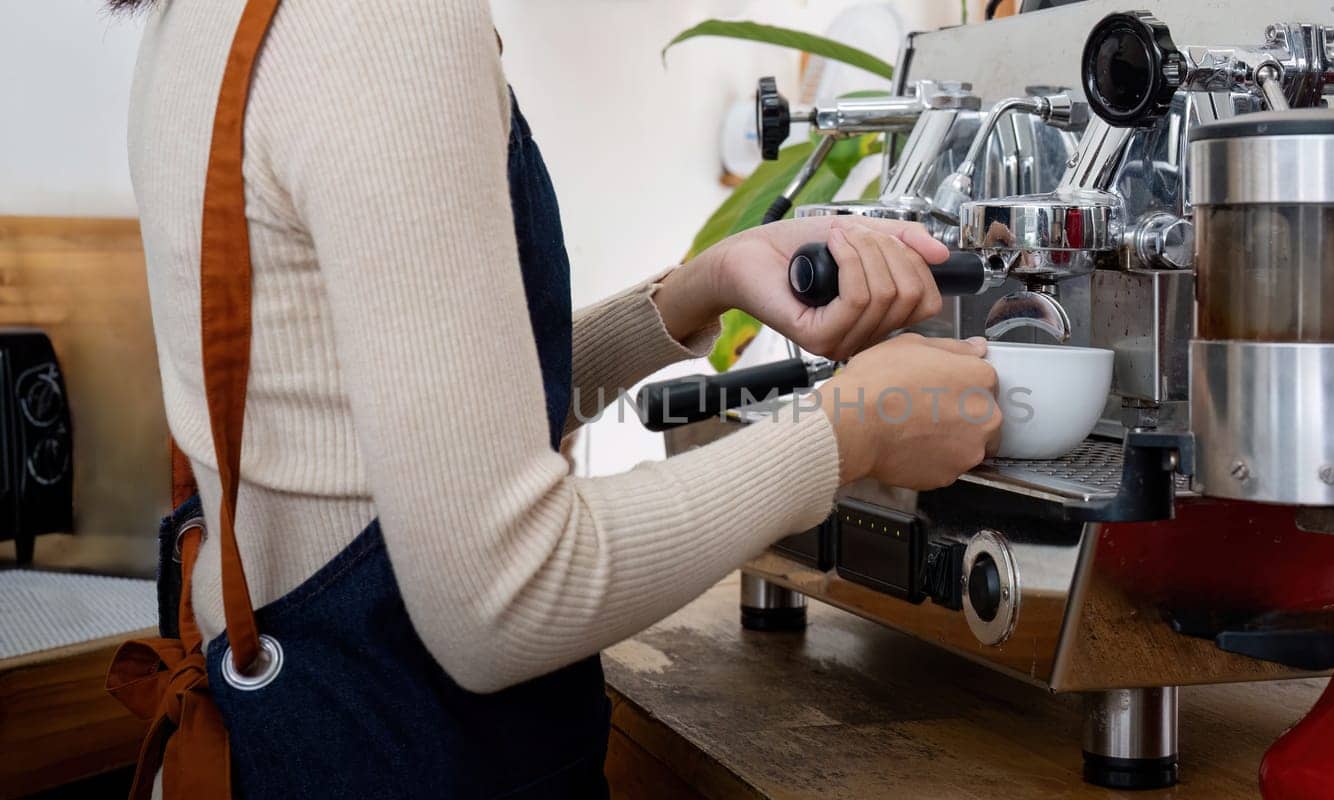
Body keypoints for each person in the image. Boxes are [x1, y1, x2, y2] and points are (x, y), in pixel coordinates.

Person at [112, 0, 1001, 796]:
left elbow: (409, 423)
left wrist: (699, 288)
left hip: (299, 729)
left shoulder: (201, 19)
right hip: (417, 748)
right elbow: (502, 599)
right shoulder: (377, 20)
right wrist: (857, 428)